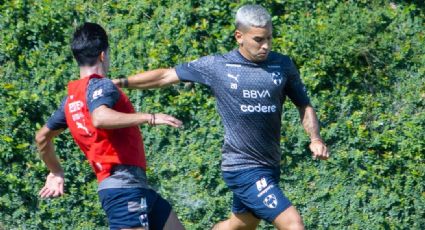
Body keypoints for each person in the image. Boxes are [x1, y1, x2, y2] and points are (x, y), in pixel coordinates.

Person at [114, 4, 329, 230]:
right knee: (294, 224)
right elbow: (165, 76)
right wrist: (121, 82)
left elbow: (304, 105)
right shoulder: (218, 66)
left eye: (269, 38)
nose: (265, 45)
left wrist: (315, 139)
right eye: (258, 39)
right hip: (242, 167)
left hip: (270, 166)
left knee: (238, 226)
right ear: (239, 36)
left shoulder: (282, 64)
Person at [35, 22, 185, 230]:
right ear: (103, 55)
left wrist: (56, 171)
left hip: (136, 187)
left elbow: (42, 137)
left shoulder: (71, 100)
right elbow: (100, 117)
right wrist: (149, 117)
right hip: (122, 189)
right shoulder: (102, 85)